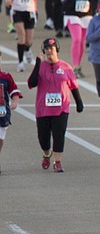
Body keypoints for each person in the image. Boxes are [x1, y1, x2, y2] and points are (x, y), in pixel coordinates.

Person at [28, 37, 83, 173]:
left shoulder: (66, 67)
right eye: (46, 49)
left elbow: (74, 86)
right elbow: (31, 83)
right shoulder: (40, 66)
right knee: (43, 138)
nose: (48, 51)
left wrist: (79, 102)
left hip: (61, 108)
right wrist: (37, 64)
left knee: (59, 135)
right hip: (43, 109)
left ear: (56, 50)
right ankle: (47, 154)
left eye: (51, 49)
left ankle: (58, 161)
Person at [57, 0, 99, 78]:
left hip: (86, 14)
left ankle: (78, 66)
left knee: (82, 41)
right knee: (76, 39)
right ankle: (75, 66)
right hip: (71, 13)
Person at [5, 0, 40, 72]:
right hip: (17, 10)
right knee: (21, 37)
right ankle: (20, 62)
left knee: (28, 40)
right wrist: (8, 0)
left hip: (30, 10)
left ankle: (28, 50)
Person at [0, 62, 21, 174]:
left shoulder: (6, 77)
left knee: (0, 138)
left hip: (2, 113)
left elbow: (14, 91)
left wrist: (15, 101)